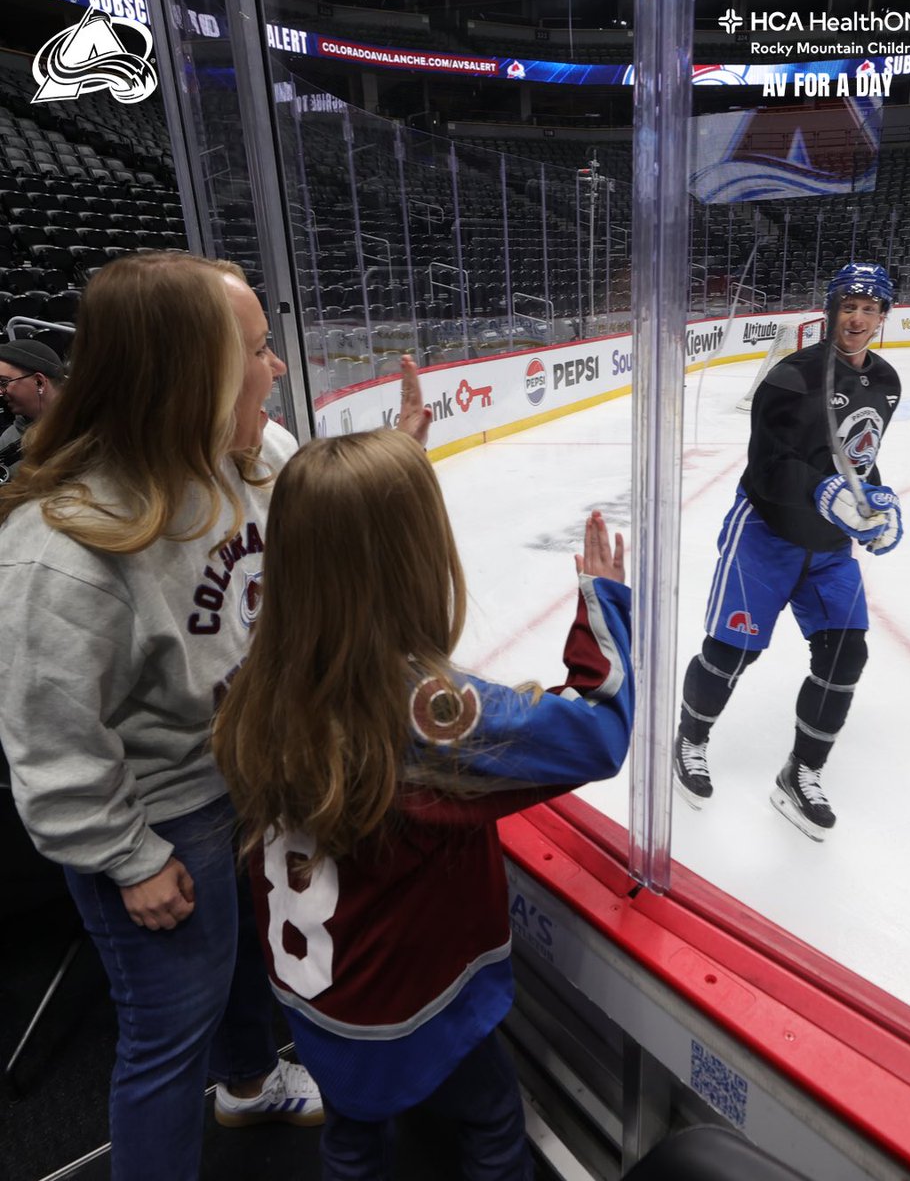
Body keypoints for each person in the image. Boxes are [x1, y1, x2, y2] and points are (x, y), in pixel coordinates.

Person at [0, 251, 430, 1181]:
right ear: (189, 377)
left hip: (250, 777)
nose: (276, 368)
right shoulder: (62, 548)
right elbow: (51, 744)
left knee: (244, 969)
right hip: (160, 817)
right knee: (167, 1033)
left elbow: (327, 525)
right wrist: (129, 858)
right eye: (258, 351)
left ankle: (248, 1083)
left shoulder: (255, 453)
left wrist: (397, 460)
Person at [212, 431, 633, 1181]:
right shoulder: (423, 712)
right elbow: (598, 733)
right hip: (411, 1008)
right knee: (492, 1122)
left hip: (317, 1003)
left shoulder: (260, 677)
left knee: (353, 1140)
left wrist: (369, 484)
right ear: (415, 559)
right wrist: (603, 605)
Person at [673, 263, 902, 840]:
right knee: (731, 653)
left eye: (869, 308)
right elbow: (767, 466)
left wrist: (876, 504)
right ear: (831, 309)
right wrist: (825, 492)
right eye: (849, 306)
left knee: (845, 657)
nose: (858, 319)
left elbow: (858, 457)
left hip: (829, 548)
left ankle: (801, 773)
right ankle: (690, 739)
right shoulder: (793, 375)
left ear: (883, 315)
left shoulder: (886, 382)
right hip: (765, 532)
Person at [0, 340, 65, 484]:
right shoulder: (8, 440)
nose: (0, 392)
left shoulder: (94, 428)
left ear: (39, 382)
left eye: (3, 382)